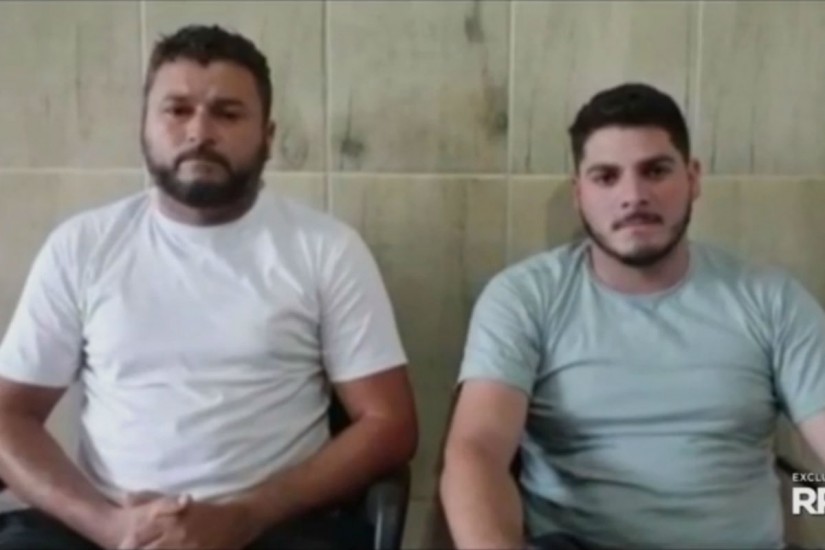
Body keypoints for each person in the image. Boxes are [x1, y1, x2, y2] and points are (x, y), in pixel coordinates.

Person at [0, 24, 417, 550]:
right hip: (107, 530)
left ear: (268, 135)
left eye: (228, 113)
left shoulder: (326, 250)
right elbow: (8, 415)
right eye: (177, 110)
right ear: (144, 127)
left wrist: (245, 517)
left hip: (274, 530)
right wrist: (111, 527)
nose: (200, 132)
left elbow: (389, 424)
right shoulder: (82, 247)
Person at [439, 82, 825, 549]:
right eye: (606, 177)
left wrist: (814, 504)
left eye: (655, 171)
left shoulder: (772, 300)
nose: (634, 195)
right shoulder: (524, 298)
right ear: (578, 193)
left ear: (693, 178)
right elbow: (477, 453)